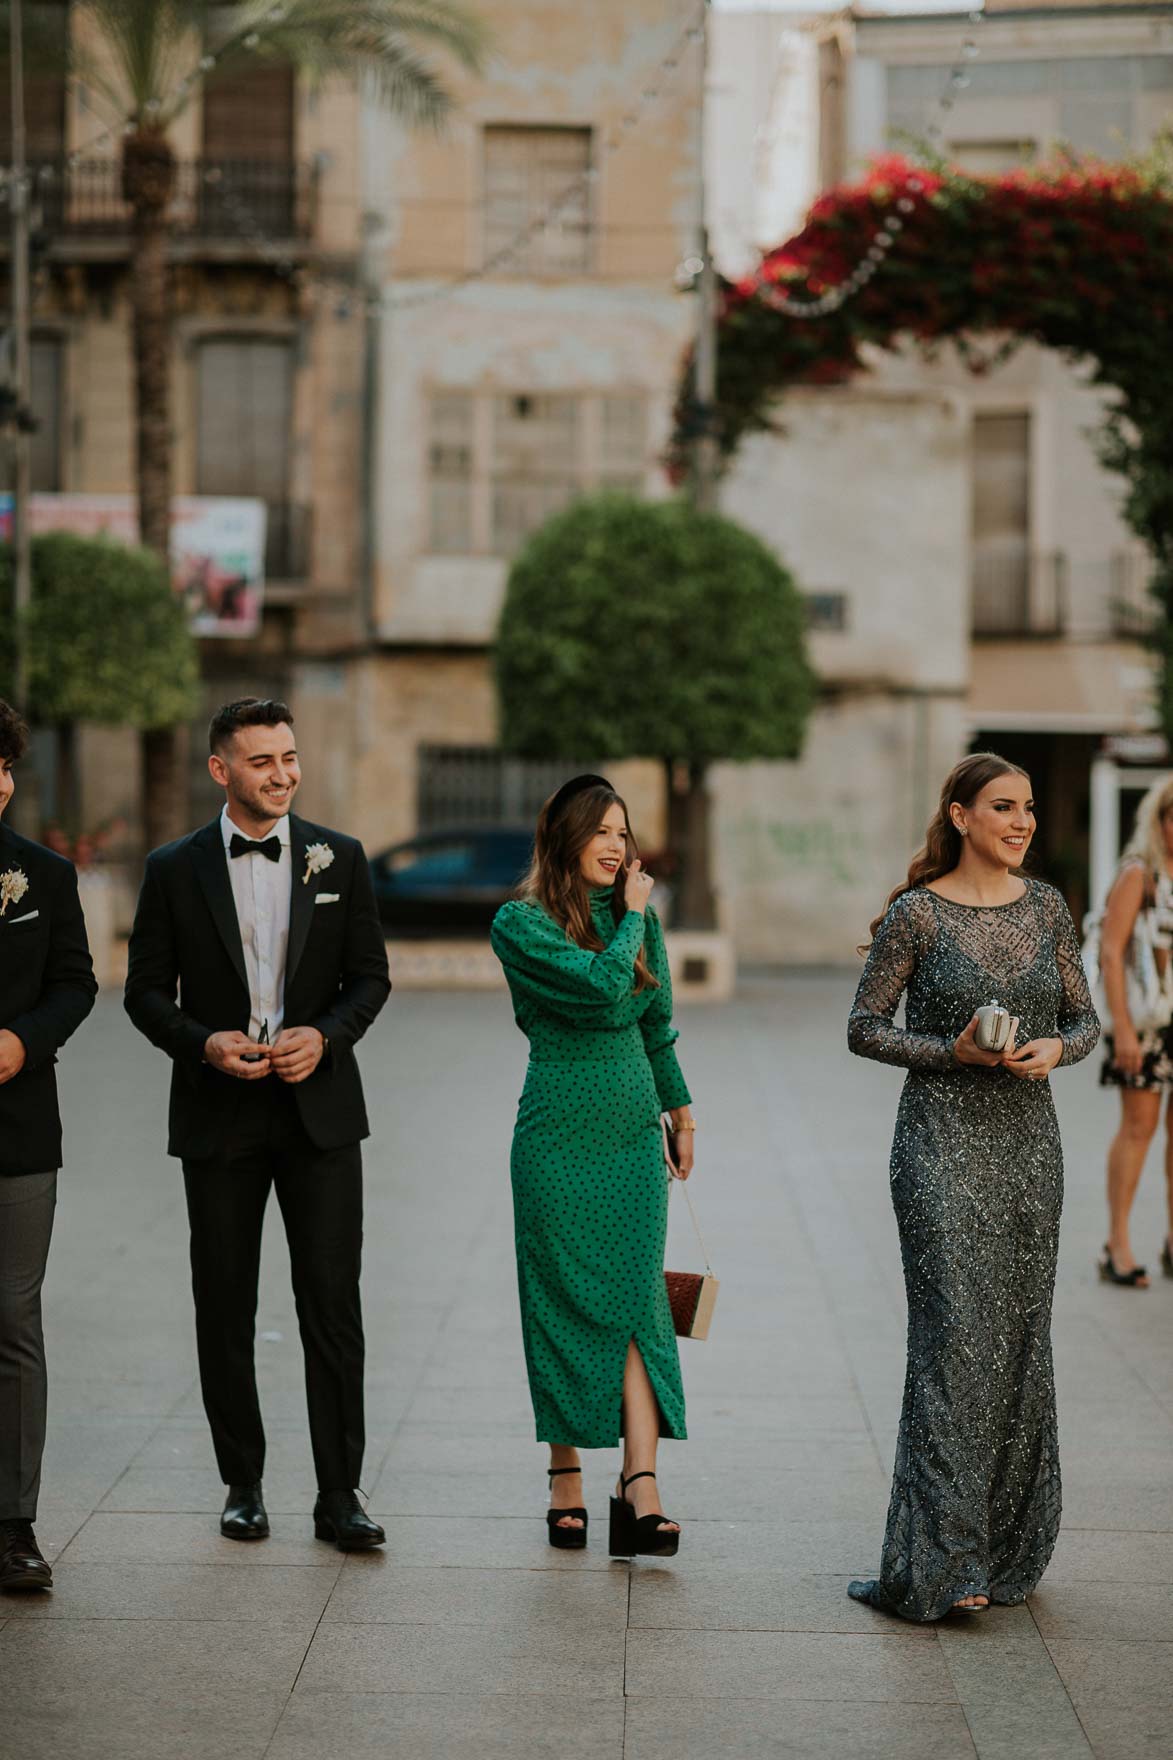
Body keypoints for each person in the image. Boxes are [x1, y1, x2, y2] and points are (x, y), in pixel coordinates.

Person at [124, 698, 390, 1550]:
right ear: (220, 770)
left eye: (289, 757)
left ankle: (340, 1494)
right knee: (224, 1304)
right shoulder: (173, 868)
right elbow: (141, 994)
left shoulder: (338, 858)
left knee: (331, 1307)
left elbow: (370, 978)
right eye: (262, 761)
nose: (282, 774)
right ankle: (243, 1483)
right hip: (219, 1117)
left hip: (320, 1117)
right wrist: (204, 1044)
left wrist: (327, 1035)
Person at [846, 752, 1099, 1621]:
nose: (1021, 821)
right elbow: (863, 1027)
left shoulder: (1049, 908)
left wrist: (1055, 1051)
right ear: (959, 817)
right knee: (953, 1344)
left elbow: (1085, 1018)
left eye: (1027, 807)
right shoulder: (916, 916)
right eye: (1003, 806)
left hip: (1030, 1149)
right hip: (939, 1146)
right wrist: (946, 1051)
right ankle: (943, 1566)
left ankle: (1001, 1548)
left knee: (1018, 1343)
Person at [490, 776, 695, 1557]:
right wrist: (635, 918)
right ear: (565, 840)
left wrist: (682, 1116)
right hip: (555, 1133)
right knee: (558, 1300)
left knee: (641, 1302)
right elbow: (602, 986)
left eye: (623, 831)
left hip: (630, 1134)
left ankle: (639, 1484)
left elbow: (656, 1026)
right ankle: (565, 1474)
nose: (617, 846)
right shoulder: (520, 923)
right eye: (600, 832)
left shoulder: (635, 920)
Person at [0, 699, 97, 1592]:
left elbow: (77, 983)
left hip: (18, 1132)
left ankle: (14, 1524)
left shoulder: (43, 876)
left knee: (12, 1317)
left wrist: (23, 1041)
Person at [1096, 775, 1173, 1287]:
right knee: (1139, 1129)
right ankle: (1116, 1245)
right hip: (1143, 1025)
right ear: (1160, 819)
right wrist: (1121, 1028)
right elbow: (1110, 950)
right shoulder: (1138, 874)